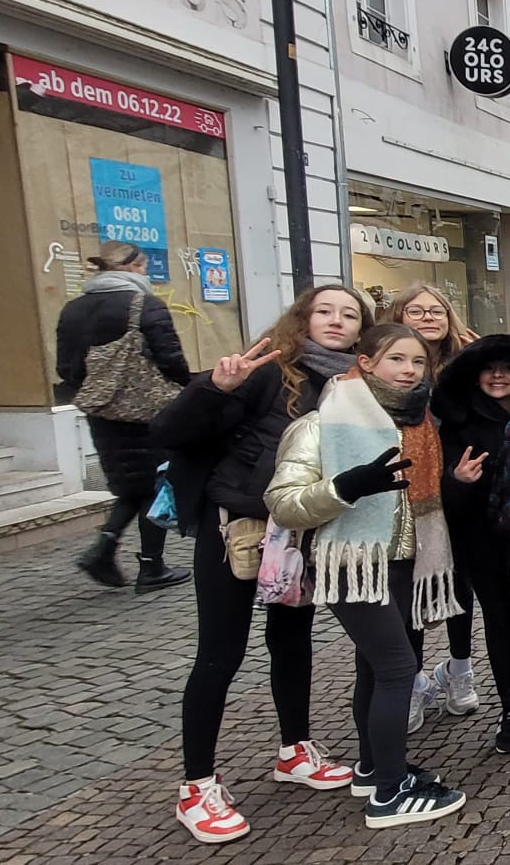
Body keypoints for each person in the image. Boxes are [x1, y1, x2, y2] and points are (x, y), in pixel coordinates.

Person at [156, 284, 371, 844]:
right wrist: (212, 388)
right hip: (239, 523)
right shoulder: (268, 369)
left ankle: (294, 749)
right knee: (220, 654)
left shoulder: (354, 384)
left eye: (349, 315)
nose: (336, 321)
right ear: (302, 318)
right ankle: (196, 784)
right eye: (324, 310)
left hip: (302, 525)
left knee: (292, 640)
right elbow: (171, 432)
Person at [265, 324, 468, 828]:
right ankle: (390, 795)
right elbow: (283, 503)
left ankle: (374, 767)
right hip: (354, 564)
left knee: (375, 670)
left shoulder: (419, 423)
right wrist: (347, 486)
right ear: (366, 362)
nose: (409, 370)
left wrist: (451, 480)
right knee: (399, 670)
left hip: (406, 562)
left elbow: (406, 495)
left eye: (418, 362)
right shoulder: (320, 424)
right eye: (397, 359)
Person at [431, 334, 510, 753]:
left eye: (507, 368)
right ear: (477, 376)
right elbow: (445, 488)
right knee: (499, 622)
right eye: (489, 368)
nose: (498, 375)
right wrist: (457, 480)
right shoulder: (460, 421)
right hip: (481, 538)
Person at [56, 240, 192, 593]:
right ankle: (151, 567)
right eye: (144, 267)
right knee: (157, 483)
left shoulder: (72, 309)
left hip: (101, 410)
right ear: (133, 267)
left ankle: (104, 548)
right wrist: (184, 393)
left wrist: (100, 391)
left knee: (130, 483)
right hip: (148, 409)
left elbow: (66, 367)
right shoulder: (144, 304)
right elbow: (172, 359)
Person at [390, 283, 480, 728]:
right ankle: (411, 681)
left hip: (461, 491)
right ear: (398, 316)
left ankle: (459, 671)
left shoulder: (465, 366)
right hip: (407, 497)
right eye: (416, 310)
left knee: (459, 586)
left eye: (436, 311)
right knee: (411, 594)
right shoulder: (390, 372)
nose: (427, 318)